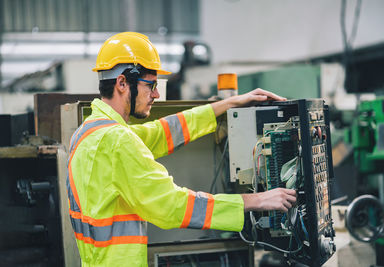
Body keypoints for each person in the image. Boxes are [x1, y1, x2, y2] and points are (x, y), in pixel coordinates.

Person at [67, 32, 297, 267]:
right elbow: (173, 206)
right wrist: (255, 200)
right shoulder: (117, 140)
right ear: (122, 83)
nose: (156, 94)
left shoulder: (89, 133)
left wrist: (226, 104)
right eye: (151, 85)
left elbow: (161, 133)